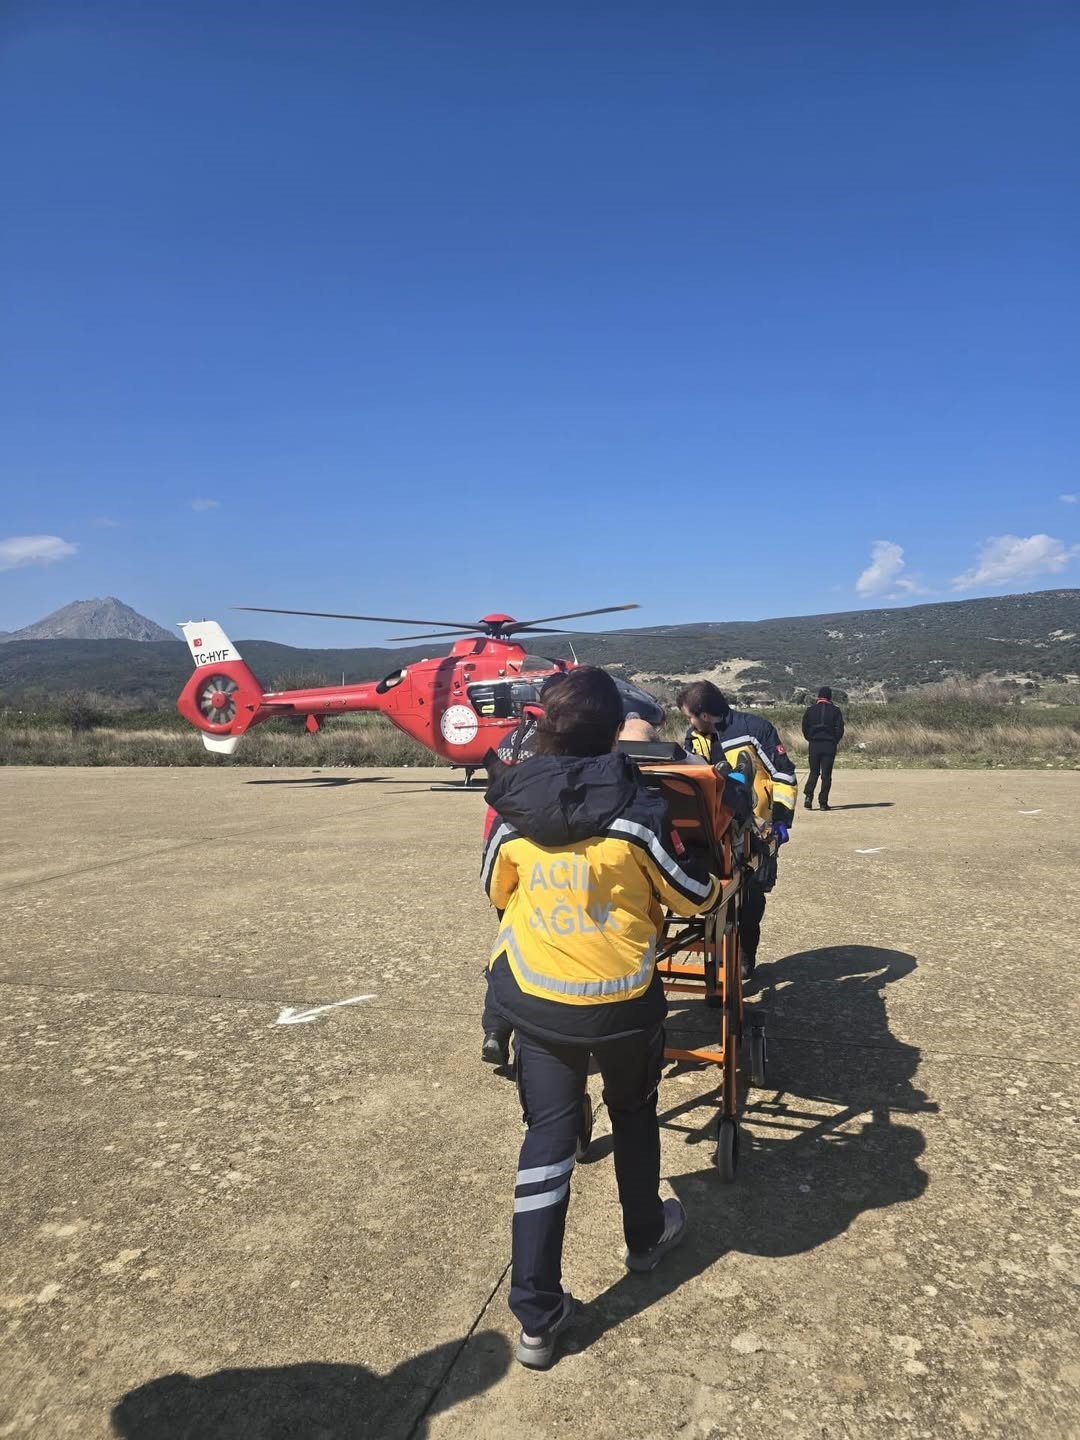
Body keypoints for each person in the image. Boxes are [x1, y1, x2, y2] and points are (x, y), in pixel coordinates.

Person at [481, 666, 721, 1369]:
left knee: (546, 1138)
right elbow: (694, 896)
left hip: (541, 1002)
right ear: (615, 731)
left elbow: (496, 891)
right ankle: (645, 1237)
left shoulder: (513, 809)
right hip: (620, 1005)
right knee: (635, 1112)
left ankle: (535, 1313)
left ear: (544, 726)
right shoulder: (637, 811)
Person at [676, 680, 797, 984]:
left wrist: (780, 819)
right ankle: (715, 956)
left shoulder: (755, 729)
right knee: (714, 894)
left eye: (690, 716)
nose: (689, 723)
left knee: (752, 898)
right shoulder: (695, 739)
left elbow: (784, 774)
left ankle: (745, 953)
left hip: (757, 829)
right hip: (713, 831)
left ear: (704, 714)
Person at [801, 686, 845, 811]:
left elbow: (805, 727)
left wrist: (810, 738)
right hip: (829, 745)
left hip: (814, 744)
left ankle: (808, 796)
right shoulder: (836, 711)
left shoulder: (810, 710)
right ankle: (823, 803)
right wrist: (834, 740)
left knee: (814, 772)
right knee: (826, 775)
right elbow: (840, 729)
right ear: (830, 696)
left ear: (819, 696)